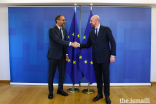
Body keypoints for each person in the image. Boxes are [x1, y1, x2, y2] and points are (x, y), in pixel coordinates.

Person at [74, 15, 116, 104]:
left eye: (91, 21)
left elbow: (113, 42)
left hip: (105, 58)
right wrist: (78, 45)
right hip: (96, 59)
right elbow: (88, 44)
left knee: (106, 78)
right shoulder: (91, 33)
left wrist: (113, 55)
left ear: (96, 21)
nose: (90, 22)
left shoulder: (106, 29)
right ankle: (100, 94)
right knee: (98, 78)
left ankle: (107, 96)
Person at [47, 14, 77, 99]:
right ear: (57, 20)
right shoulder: (51, 30)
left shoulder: (64, 30)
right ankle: (50, 92)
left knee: (62, 74)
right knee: (51, 75)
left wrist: (66, 54)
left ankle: (60, 89)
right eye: (63, 20)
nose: (64, 21)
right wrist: (71, 43)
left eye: (64, 20)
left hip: (62, 56)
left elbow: (64, 43)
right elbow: (58, 40)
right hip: (53, 56)